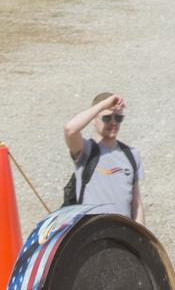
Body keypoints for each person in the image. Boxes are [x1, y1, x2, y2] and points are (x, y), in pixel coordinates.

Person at [62, 92, 144, 222]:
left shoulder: (131, 154)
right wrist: (104, 105)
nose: (113, 123)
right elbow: (70, 130)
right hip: (91, 234)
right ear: (94, 120)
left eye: (118, 118)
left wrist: (141, 239)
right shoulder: (86, 149)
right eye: (107, 118)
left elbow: (136, 204)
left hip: (122, 234)